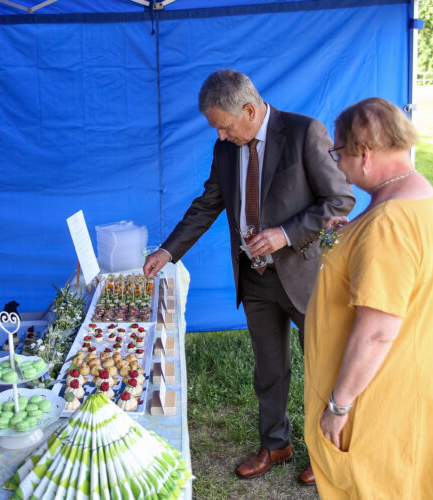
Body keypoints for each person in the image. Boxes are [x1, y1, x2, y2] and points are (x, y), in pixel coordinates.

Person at [143, 69, 354, 484]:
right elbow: (208, 205)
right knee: (268, 368)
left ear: (250, 110)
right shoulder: (225, 149)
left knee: (323, 366)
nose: (220, 136)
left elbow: (339, 199)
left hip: (304, 276)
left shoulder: (303, 132)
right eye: (216, 130)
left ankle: (326, 452)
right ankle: (276, 444)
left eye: (224, 126)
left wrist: (285, 234)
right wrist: (169, 251)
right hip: (254, 278)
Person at [303, 97, 433, 499]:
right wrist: (352, 235)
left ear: (365, 152)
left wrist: (339, 406)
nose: (337, 163)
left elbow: (376, 333)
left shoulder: (389, 223)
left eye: (339, 152)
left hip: (384, 392)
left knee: (378, 484)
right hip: (412, 375)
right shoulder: (416, 194)